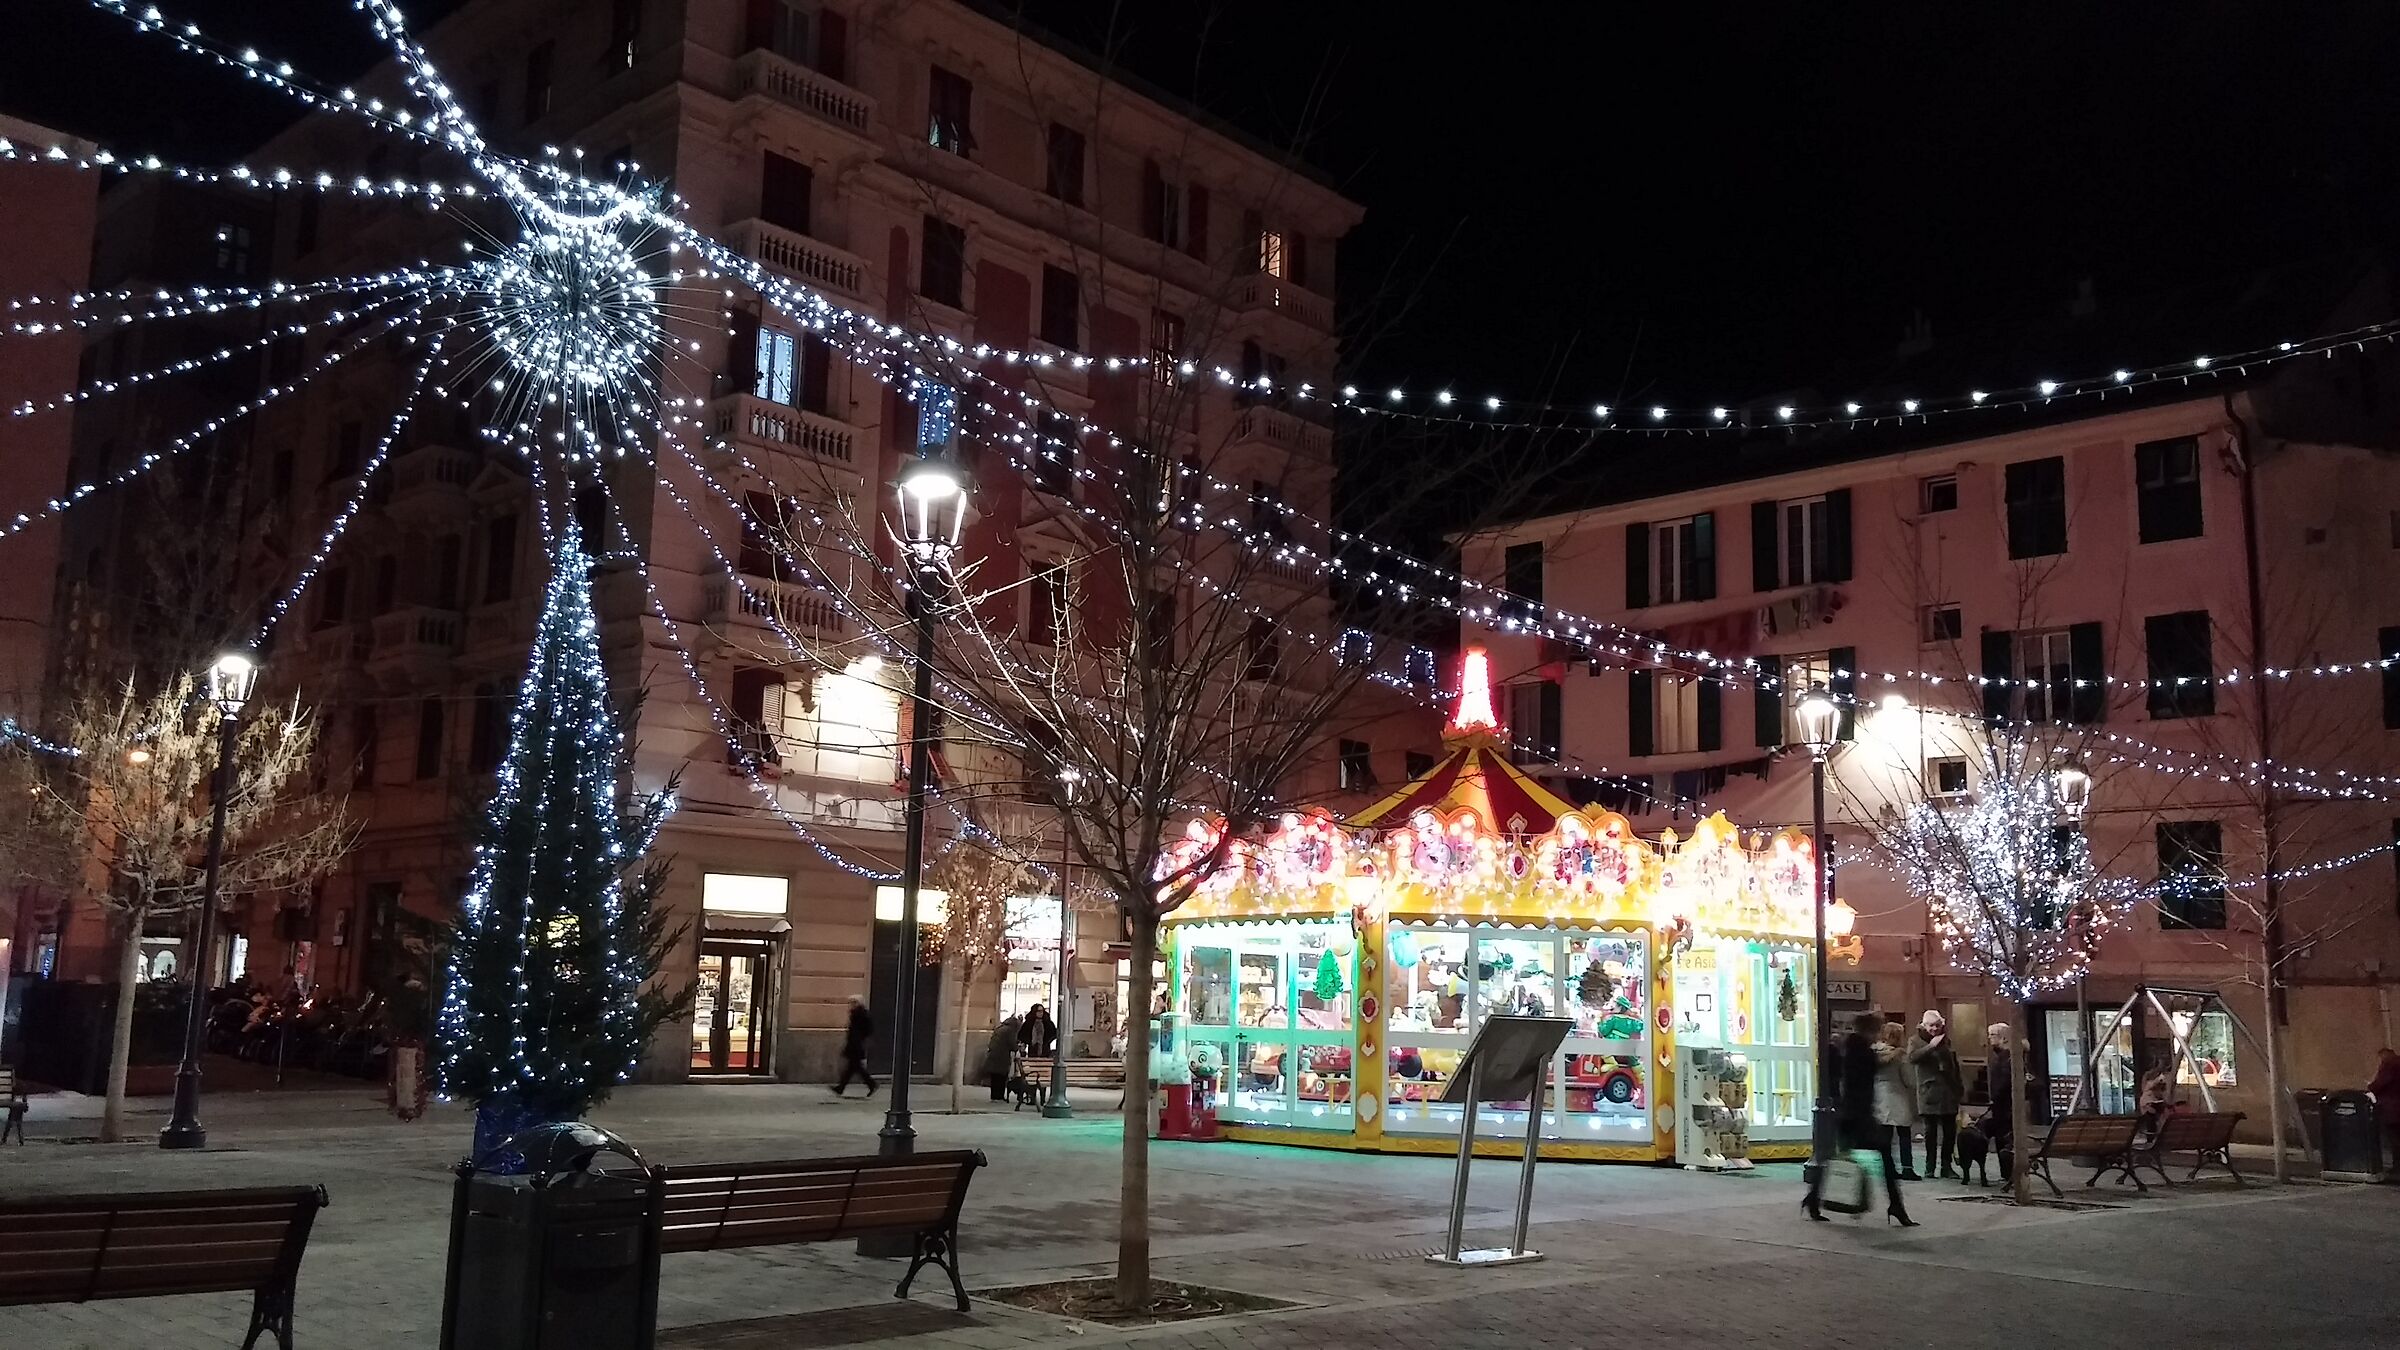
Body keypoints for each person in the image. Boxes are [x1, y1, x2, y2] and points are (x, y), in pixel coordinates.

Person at [1811, 1011, 1915, 1225]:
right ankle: (1896, 1205)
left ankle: (1812, 1200)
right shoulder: (1861, 1051)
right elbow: (1867, 1076)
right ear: (1870, 1030)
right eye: (1877, 1029)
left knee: (1836, 1158)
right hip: (1859, 1116)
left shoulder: (1851, 1048)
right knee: (1885, 1159)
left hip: (1851, 1114)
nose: (1878, 1034)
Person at [1909, 1011, 1965, 1179]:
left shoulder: (1946, 1040)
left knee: (1949, 1133)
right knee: (1930, 1133)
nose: (1934, 1028)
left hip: (1948, 1091)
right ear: (1924, 1025)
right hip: (1929, 1092)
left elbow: (1954, 1065)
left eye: (1937, 1025)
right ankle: (1930, 1167)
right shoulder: (1915, 1040)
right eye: (1931, 1025)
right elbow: (1912, 1057)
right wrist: (1931, 1046)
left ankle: (1946, 1166)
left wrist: (1959, 1088)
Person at [1875, 1018, 1921, 1181]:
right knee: (1904, 1134)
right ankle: (1907, 1168)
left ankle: (1888, 1167)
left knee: (1885, 1136)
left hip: (1879, 1095)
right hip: (1897, 1095)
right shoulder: (1900, 1056)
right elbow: (1908, 1079)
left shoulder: (1875, 1052)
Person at [1983, 1022, 2018, 1182]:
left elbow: (2004, 1081)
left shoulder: (2007, 1056)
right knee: (2001, 1137)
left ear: (2002, 1037)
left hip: (2005, 1106)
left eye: (1992, 1035)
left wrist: (1995, 1097)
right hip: (2003, 1105)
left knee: (2003, 1138)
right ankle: (2007, 1173)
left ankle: (2008, 1173)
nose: (1989, 1038)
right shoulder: (2002, 1055)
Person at [831, 997, 876, 1097]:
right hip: (854, 1044)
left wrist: (860, 1041)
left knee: (854, 1067)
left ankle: (871, 1084)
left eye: (852, 1002)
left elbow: (866, 1030)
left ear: (858, 1003)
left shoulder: (861, 1014)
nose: (850, 1004)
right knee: (853, 1068)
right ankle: (841, 1087)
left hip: (856, 1045)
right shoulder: (856, 1013)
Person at [2368, 1048, 2400, 1177]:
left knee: (2395, 1140)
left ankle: (2397, 1168)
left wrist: (2370, 1086)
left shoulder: (2389, 1065)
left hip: (2392, 1109)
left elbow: (2379, 1084)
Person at [984, 1012, 1023, 1102]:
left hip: (993, 1055)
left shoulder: (1000, 1028)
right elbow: (1012, 1043)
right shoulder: (1010, 1031)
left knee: (994, 1077)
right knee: (1001, 1077)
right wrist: (1017, 1049)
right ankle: (999, 1096)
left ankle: (994, 1096)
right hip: (1002, 1056)